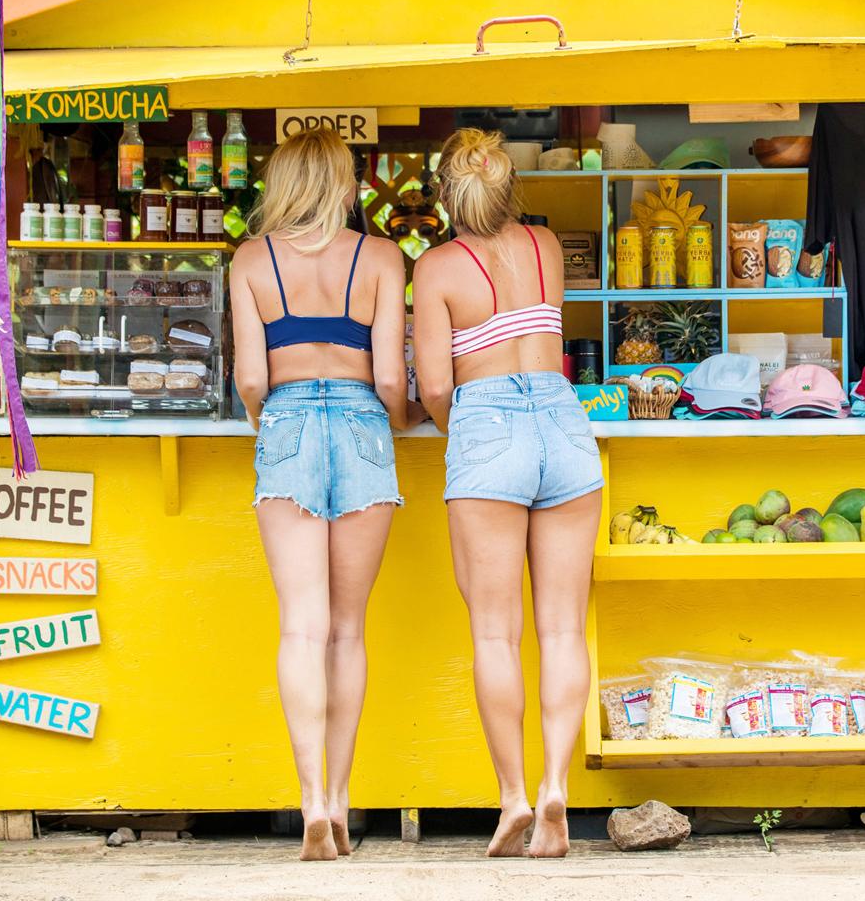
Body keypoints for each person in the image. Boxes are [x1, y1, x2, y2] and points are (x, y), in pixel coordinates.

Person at [412, 128, 604, 858]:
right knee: (561, 629)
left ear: (444, 193)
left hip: (487, 419)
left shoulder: (435, 270)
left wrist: (461, 428)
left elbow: (434, 384)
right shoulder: (546, 248)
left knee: (496, 633)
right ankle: (557, 784)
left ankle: (515, 796)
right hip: (561, 418)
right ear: (506, 185)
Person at [230, 127, 414, 861]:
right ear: (344, 185)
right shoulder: (381, 258)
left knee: (300, 628)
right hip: (365, 424)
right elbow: (393, 378)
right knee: (348, 629)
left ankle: (308, 800)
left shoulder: (251, 261)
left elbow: (250, 378)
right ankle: (339, 800)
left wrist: (270, 420)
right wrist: (392, 420)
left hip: (288, 423)